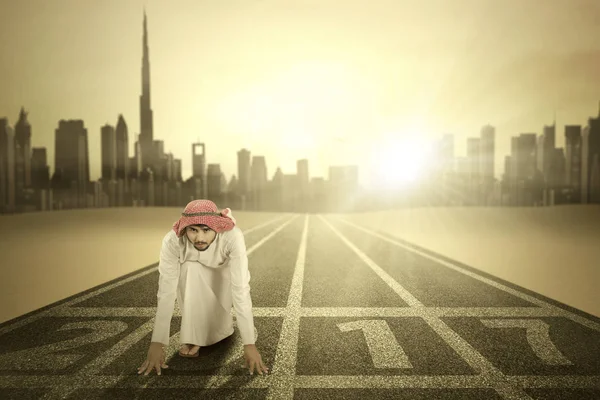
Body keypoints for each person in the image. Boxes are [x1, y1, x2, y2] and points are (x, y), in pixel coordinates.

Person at [137, 199, 269, 376]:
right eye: (193, 230)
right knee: (190, 267)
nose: (199, 238)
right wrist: (157, 342)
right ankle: (194, 335)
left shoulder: (232, 236)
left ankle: (217, 328)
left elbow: (240, 288)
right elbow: (166, 292)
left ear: (216, 227)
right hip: (194, 280)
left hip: (224, 280)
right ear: (185, 229)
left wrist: (249, 344)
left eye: (206, 230)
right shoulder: (172, 241)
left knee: (223, 295)